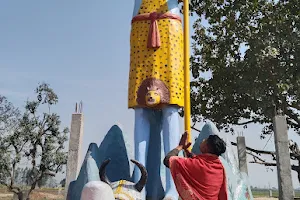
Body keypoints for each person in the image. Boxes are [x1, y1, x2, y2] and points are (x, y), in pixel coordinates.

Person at [163, 132, 228, 200]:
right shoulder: (220, 168)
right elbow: (195, 161)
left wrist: (180, 146)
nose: (203, 140)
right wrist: (186, 150)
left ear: (207, 147)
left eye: (205, 140)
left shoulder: (198, 164)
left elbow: (168, 160)